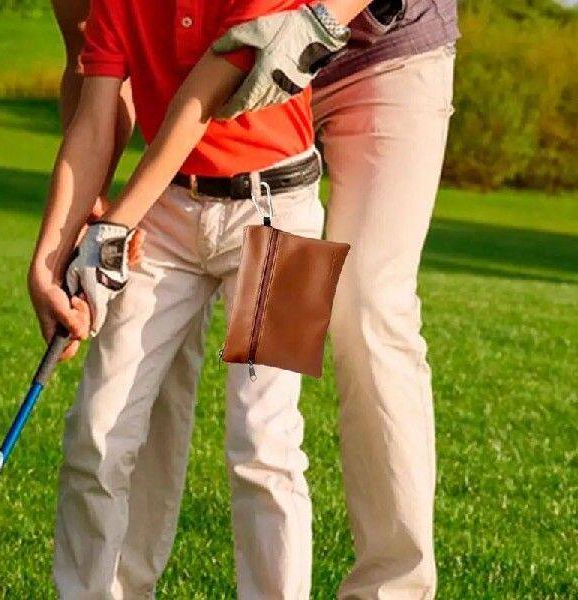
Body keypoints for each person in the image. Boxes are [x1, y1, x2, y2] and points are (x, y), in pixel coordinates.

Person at [32, 1, 351, 597]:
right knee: (97, 432)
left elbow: (201, 102)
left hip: (284, 213)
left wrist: (113, 227)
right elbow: (96, 121)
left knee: (265, 441)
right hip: (166, 212)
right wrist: (48, 259)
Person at [212, 1, 460, 598]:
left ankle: (393, 588)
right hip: (257, 66)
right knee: (269, 347)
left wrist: (314, 23)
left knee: (368, 304)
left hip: (384, 56)